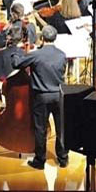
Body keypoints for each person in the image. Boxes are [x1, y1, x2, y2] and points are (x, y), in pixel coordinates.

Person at [11, 25, 68, 169]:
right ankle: (62, 158)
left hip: (41, 97)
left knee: (40, 128)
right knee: (61, 128)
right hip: (59, 96)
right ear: (55, 38)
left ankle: (40, 160)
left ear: (42, 38)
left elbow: (16, 64)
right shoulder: (62, 55)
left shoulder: (36, 54)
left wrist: (17, 51)